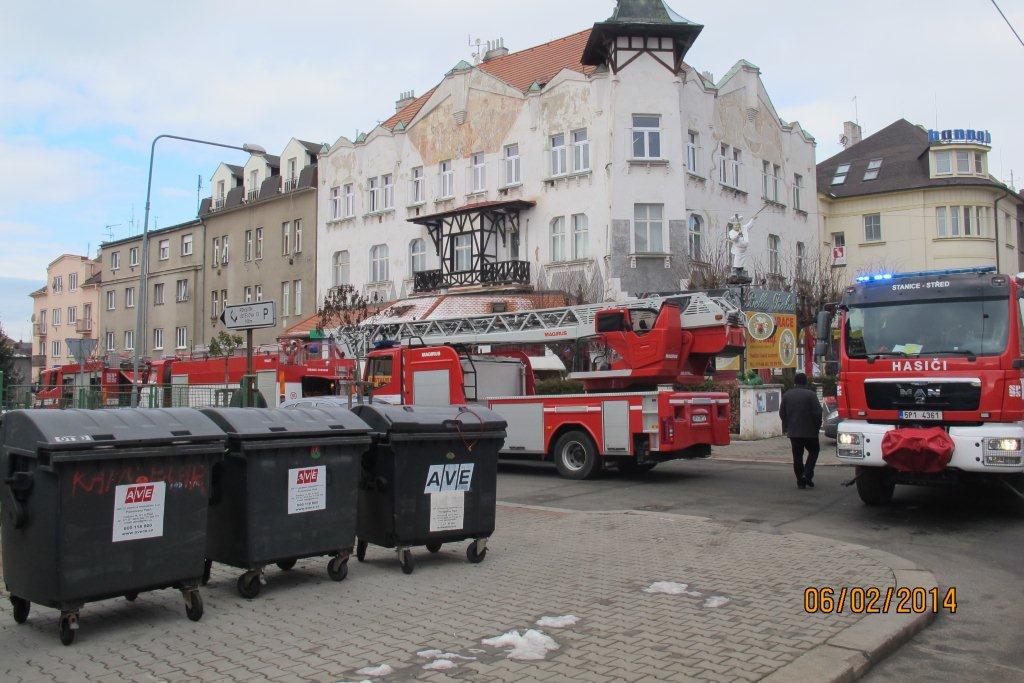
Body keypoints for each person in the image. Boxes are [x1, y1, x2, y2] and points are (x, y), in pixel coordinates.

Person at [779, 373, 822, 489]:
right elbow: (818, 413)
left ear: (795, 382)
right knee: (814, 451)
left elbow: (782, 413)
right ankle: (807, 474)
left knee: (797, 456)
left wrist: (788, 425)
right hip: (810, 431)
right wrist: (817, 427)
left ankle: (800, 480)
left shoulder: (787, 395)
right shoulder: (811, 395)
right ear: (805, 382)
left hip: (794, 432)